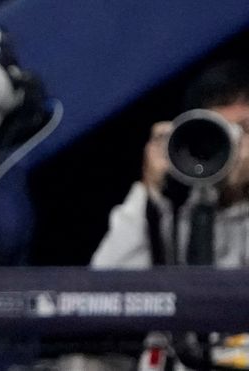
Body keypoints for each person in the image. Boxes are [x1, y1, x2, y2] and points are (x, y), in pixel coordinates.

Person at [92, 58, 249, 269]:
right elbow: (107, 286)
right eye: (219, 132)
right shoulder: (176, 214)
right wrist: (149, 191)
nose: (233, 145)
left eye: (244, 129)